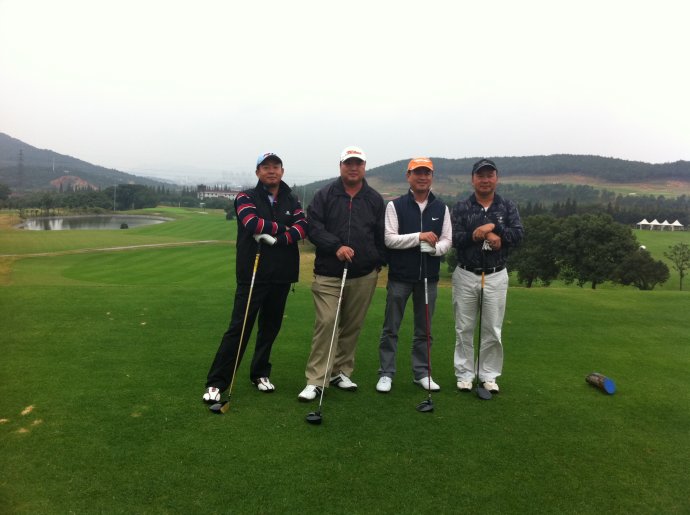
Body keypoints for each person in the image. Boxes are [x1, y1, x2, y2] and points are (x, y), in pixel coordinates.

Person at [202, 152, 307, 404]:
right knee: (239, 328)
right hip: (253, 273)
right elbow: (252, 223)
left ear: (282, 171)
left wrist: (278, 239)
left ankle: (260, 373)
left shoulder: (292, 199)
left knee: (270, 328)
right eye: (266, 167)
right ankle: (217, 382)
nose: (271, 171)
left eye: (276, 167)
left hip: (282, 274)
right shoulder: (245, 196)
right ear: (258, 172)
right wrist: (285, 228)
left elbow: (303, 227)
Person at [298, 146, 386, 401]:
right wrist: (336, 246)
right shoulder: (324, 195)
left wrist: (377, 261)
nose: (353, 167)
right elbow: (313, 228)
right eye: (349, 163)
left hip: (363, 274)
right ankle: (316, 379)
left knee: (352, 325)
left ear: (364, 167)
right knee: (327, 323)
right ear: (341, 166)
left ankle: (340, 371)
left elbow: (381, 233)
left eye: (358, 163)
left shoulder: (373, 198)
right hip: (329, 273)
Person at [375, 158, 452, 393]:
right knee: (391, 328)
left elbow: (447, 240)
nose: (422, 177)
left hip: (429, 276)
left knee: (424, 330)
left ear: (432, 177)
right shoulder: (395, 205)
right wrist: (419, 237)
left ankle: (422, 373)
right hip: (400, 276)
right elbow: (390, 239)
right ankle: (386, 373)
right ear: (408, 176)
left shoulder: (441, 208)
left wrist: (435, 249)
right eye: (417, 173)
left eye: (427, 173)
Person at [451, 158, 523, 394]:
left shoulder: (507, 206)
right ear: (473, 179)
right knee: (464, 327)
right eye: (480, 176)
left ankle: (488, 375)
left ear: (496, 178)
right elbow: (453, 238)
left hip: (495, 275)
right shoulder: (461, 207)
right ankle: (464, 374)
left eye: (489, 175)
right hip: (466, 274)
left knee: (492, 328)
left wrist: (493, 228)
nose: (485, 180)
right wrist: (477, 234)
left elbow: (518, 236)